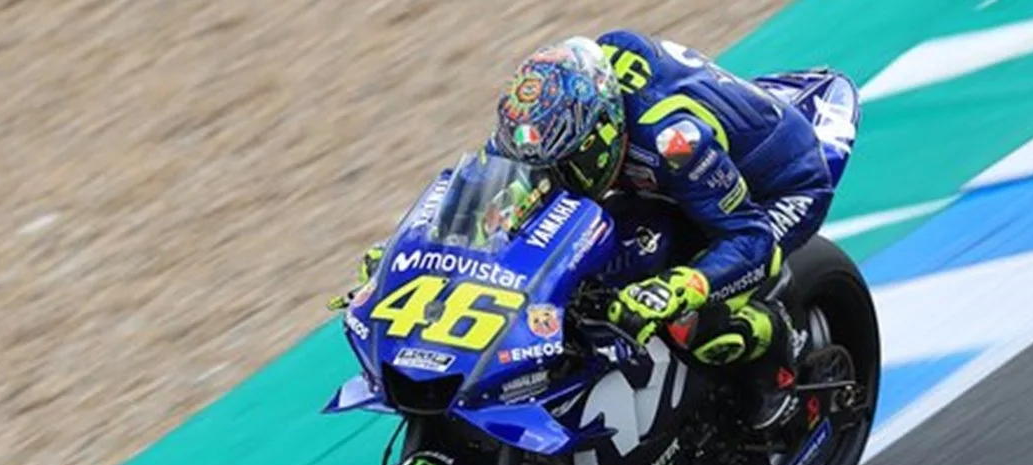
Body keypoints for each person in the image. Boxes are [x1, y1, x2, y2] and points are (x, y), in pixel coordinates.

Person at [334, 32, 836, 430]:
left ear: (603, 134)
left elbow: (750, 239)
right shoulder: (544, 124)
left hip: (774, 189)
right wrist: (403, 260)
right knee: (601, 264)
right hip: (671, 189)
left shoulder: (673, 141)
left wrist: (675, 288)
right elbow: (485, 202)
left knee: (695, 320)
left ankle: (777, 369)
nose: (549, 175)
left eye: (562, 164)